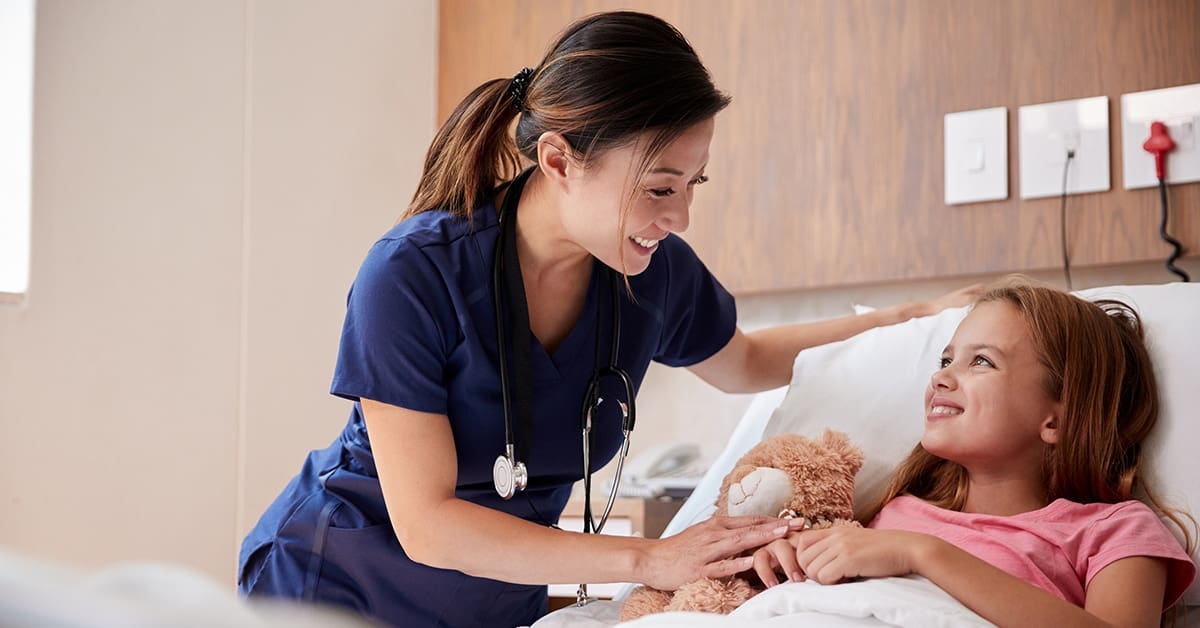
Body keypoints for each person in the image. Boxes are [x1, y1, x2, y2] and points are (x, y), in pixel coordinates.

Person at [237, 11, 979, 627]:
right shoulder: (413, 273)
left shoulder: (652, 273)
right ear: (558, 160)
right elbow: (428, 523)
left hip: (491, 603)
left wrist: (914, 319)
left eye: (694, 184)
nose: (680, 214)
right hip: (336, 589)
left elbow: (746, 362)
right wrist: (651, 559)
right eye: (660, 187)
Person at [751, 280, 1197, 626]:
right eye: (945, 361)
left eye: (980, 361)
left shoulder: (1113, 532)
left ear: (1056, 420)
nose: (941, 379)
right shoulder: (895, 513)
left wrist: (923, 554)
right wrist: (788, 564)